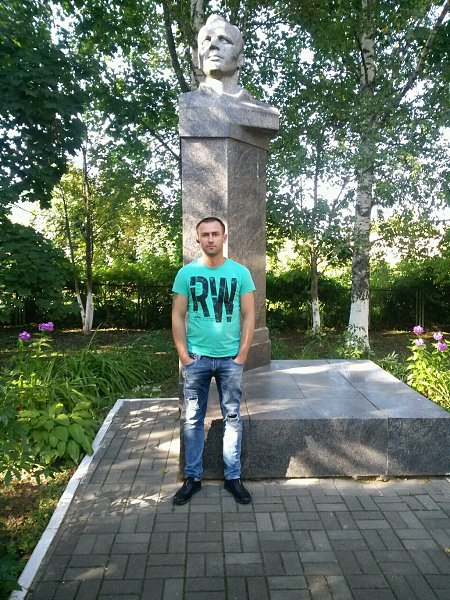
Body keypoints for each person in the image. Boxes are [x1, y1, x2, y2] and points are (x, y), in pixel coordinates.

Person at [172, 216, 255, 505]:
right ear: (198, 238)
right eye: (205, 234)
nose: (210, 239)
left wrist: (243, 353)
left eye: (215, 234)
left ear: (224, 237)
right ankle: (192, 478)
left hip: (230, 359)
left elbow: (249, 315)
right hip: (197, 359)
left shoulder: (240, 273)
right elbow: (177, 315)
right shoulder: (187, 274)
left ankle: (233, 477)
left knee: (232, 418)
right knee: (192, 419)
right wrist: (183, 355)